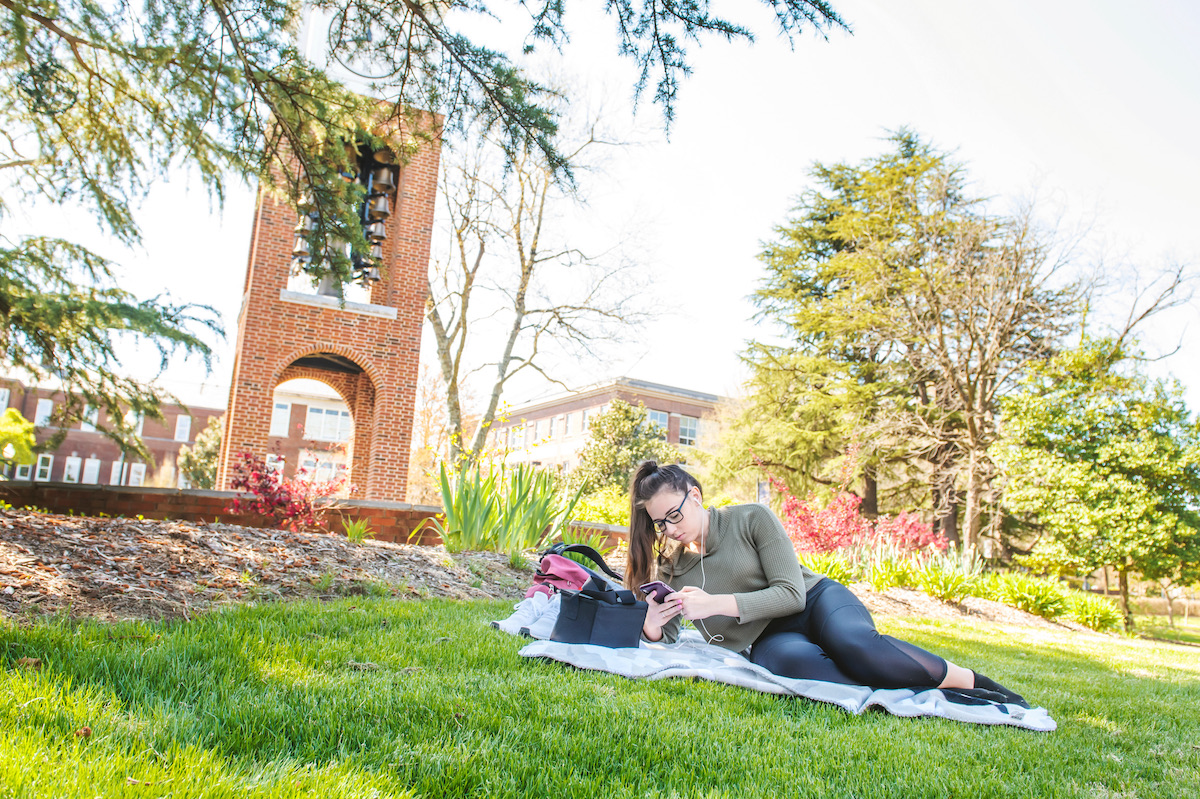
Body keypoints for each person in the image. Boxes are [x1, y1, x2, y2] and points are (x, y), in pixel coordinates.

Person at [625, 460, 1028, 706]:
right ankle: (907, 685)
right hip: (768, 636)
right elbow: (669, 638)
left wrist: (715, 604)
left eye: (673, 515)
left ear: (694, 495)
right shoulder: (672, 567)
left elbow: (790, 593)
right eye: (659, 523)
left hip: (816, 601)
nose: (668, 528)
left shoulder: (750, 518)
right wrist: (654, 623)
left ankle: (971, 682)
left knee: (856, 647)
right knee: (789, 664)